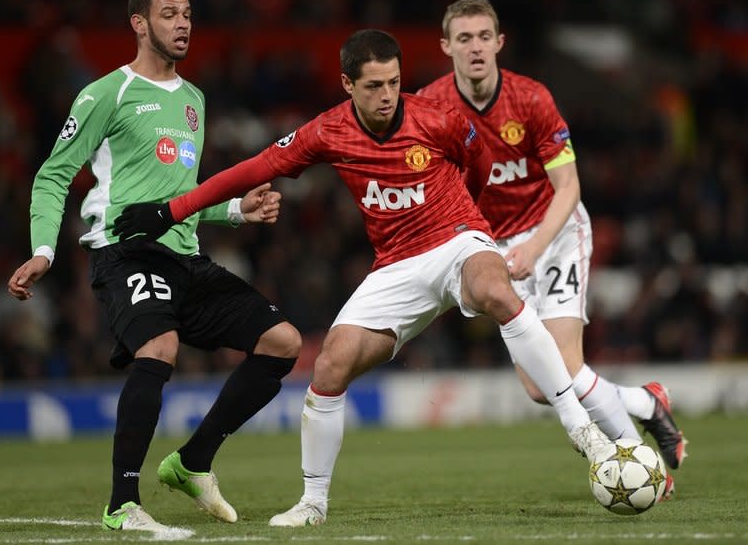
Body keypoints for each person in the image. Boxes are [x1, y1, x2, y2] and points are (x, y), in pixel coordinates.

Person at [114, 28, 615, 528]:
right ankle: (313, 502)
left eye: (394, 82)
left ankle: (582, 431)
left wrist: (471, 219)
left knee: (492, 288)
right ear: (347, 84)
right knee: (330, 366)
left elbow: (479, 162)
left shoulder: (438, 118)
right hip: (396, 265)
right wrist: (172, 211)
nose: (386, 95)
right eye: (373, 85)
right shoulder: (327, 131)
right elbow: (252, 169)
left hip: (456, 239)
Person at [7, 0, 301, 536]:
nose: (183, 23)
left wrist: (237, 210)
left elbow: (182, 196)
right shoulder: (105, 93)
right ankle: (122, 504)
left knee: (282, 343)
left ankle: (192, 462)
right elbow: (53, 175)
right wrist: (42, 249)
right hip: (125, 251)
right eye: (169, 14)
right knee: (159, 346)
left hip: (185, 257)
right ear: (140, 24)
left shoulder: (194, 99)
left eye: (187, 12)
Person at [417, 0, 687, 482]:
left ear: (499, 43)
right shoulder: (430, 107)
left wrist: (535, 248)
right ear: (446, 46)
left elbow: (569, 188)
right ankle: (645, 402)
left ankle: (636, 465)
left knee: (563, 364)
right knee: (541, 388)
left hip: (554, 232)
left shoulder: (531, 99)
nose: (475, 47)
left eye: (483, 37)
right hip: (494, 250)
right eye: (464, 38)